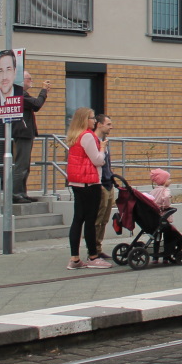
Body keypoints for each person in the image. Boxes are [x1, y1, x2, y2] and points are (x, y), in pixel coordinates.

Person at [65, 107, 111, 270]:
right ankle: (93, 256)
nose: (94, 121)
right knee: (90, 220)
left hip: (77, 182)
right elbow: (97, 160)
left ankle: (75, 258)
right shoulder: (87, 136)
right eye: (92, 118)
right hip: (90, 182)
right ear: (85, 120)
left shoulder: (74, 135)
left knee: (78, 219)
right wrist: (102, 148)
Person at [11, 70, 50, 203]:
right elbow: (36, 104)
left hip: (25, 133)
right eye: (29, 78)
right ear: (21, 81)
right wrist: (43, 91)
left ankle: (22, 193)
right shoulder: (20, 94)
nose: (31, 81)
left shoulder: (21, 94)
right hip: (22, 133)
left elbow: (35, 106)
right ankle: (16, 194)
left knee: (25, 166)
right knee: (21, 165)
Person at [92, 114, 116, 256]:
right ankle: (93, 249)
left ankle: (98, 247)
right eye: (108, 124)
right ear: (99, 124)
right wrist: (98, 183)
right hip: (100, 184)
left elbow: (107, 163)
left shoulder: (105, 141)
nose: (111, 127)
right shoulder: (93, 141)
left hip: (108, 183)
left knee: (105, 219)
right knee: (98, 219)